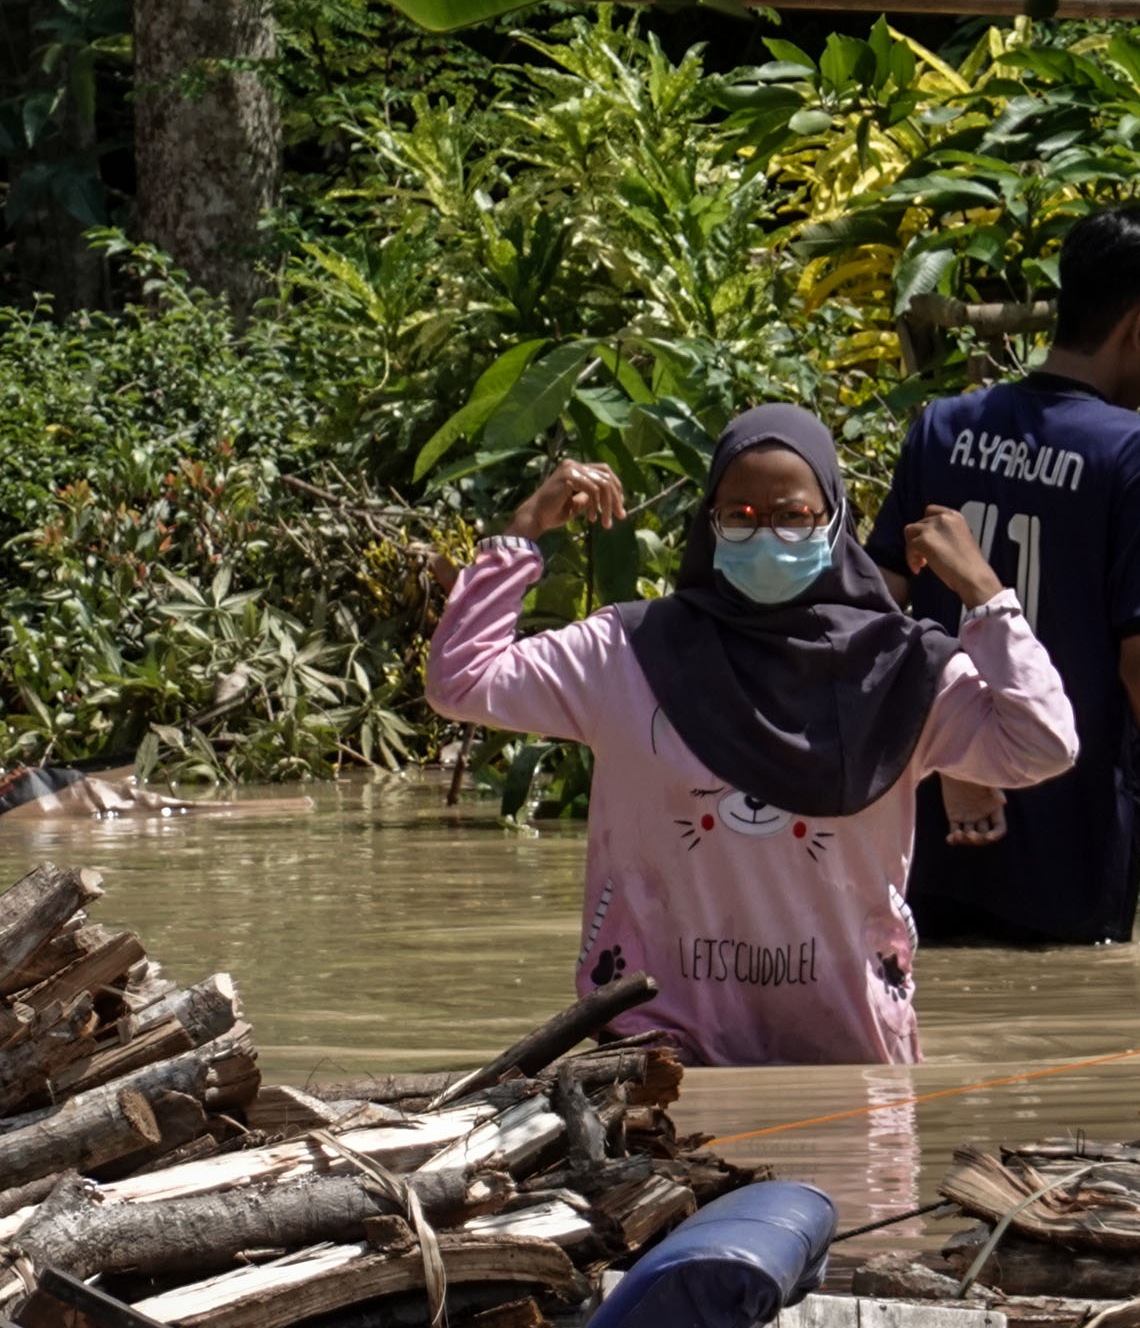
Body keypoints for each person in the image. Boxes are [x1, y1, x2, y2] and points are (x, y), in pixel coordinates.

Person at [425, 406, 1079, 1066]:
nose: (766, 534)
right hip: (658, 1066)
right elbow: (460, 680)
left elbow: (1045, 744)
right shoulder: (626, 652)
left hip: (852, 1065)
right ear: (710, 523)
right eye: (740, 514)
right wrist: (524, 529)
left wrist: (986, 594)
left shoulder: (903, 672)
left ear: (835, 519)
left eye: (793, 515)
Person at [866, 203, 1140, 948]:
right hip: (1064, 843)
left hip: (924, 831)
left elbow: (873, 615)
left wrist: (945, 753)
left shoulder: (941, 428)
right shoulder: (1137, 458)